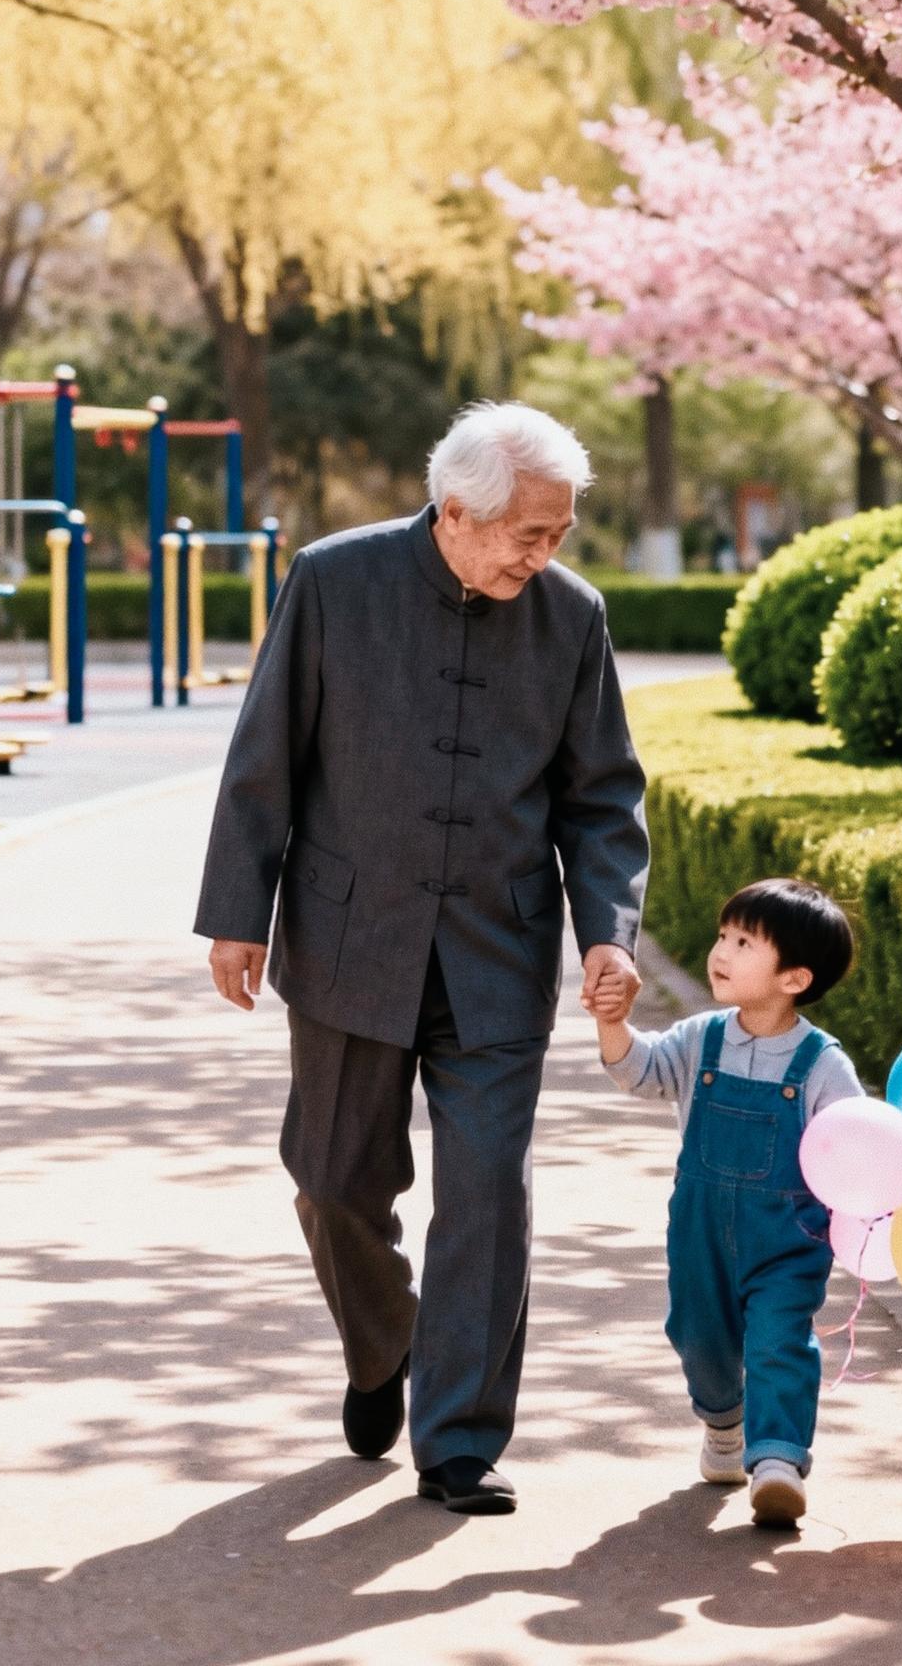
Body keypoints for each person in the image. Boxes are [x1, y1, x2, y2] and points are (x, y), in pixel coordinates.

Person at [195, 402, 649, 1517]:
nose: (545, 555)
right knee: (333, 1179)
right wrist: (235, 911)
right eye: (526, 534)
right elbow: (266, 755)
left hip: (498, 949)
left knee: (488, 1190)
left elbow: (600, 798)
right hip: (349, 938)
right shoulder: (332, 580)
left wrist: (608, 931)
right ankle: (381, 1339)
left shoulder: (570, 617)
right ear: (453, 511)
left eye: (559, 534)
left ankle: (458, 1438)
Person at [583, 877, 863, 1527]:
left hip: (787, 1240)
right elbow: (641, 1073)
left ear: (794, 978)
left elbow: (854, 1147)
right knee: (698, 1336)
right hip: (700, 1232)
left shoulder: (823, 1065)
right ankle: (724, 1423)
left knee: (778, 1340)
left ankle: (777, 1462)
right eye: (723, 935)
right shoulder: (700, 1038)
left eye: (744, 942)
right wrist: (613, 1026)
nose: (721, 951)